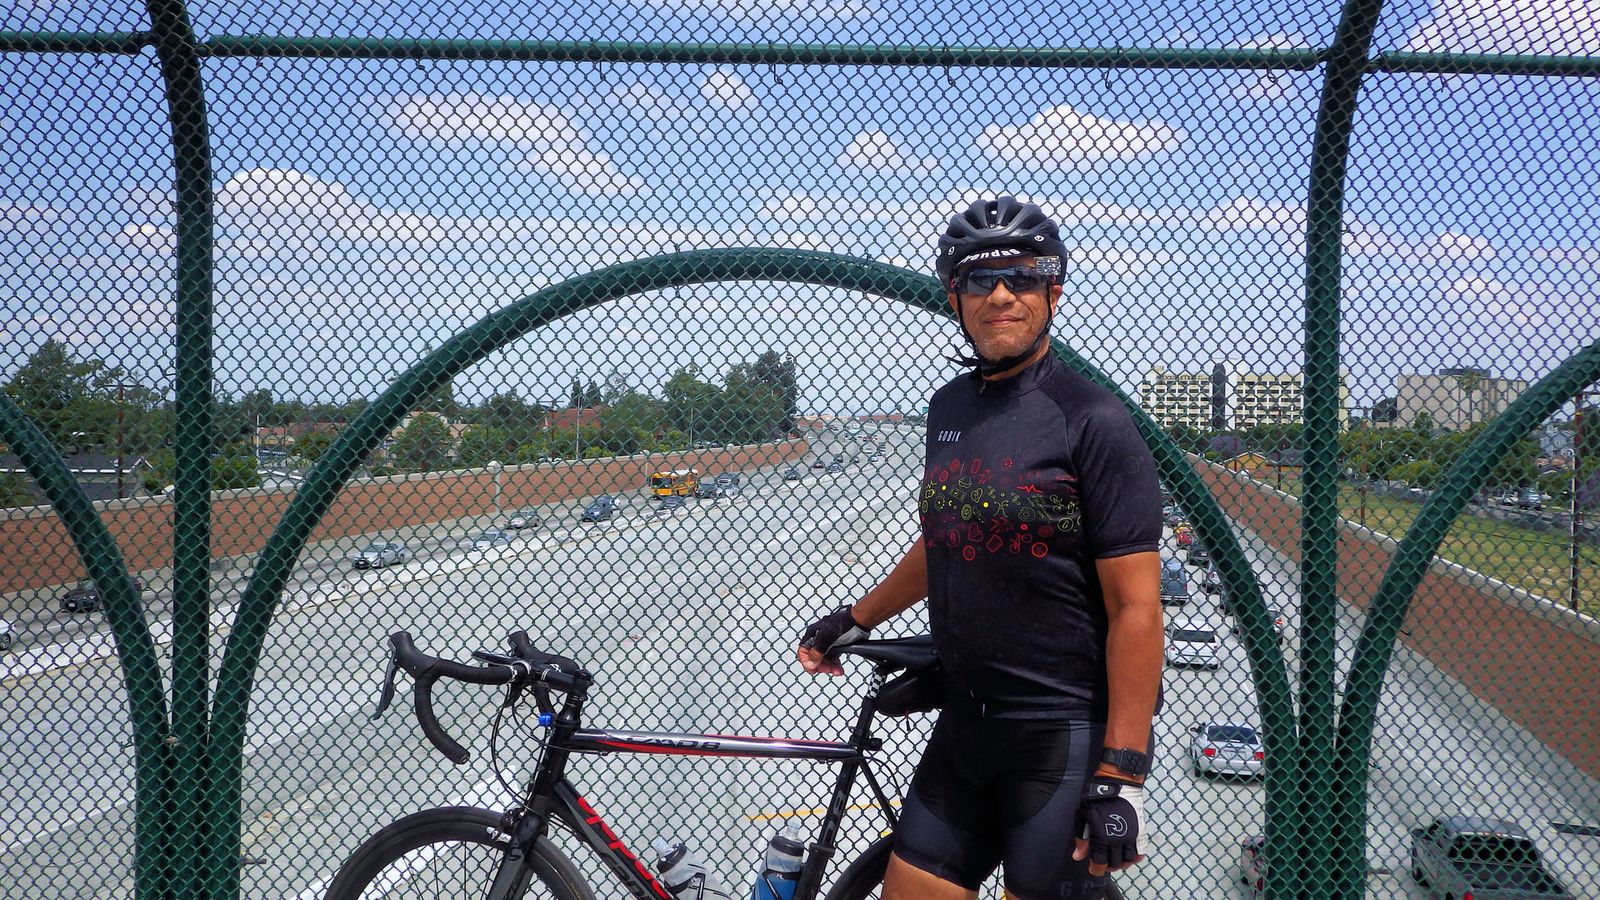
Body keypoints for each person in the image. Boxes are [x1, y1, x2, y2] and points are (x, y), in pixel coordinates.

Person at [798, 196, 1164, 900]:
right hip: (966, 726)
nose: (1001, 295)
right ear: (955, 298)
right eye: (979, 280)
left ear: (1053, 291)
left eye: (1022, 277)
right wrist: (857, 617)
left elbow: (1137, 609)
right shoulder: (949, 407)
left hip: (1059, 734)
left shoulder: (1092, 419)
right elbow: (948, 534)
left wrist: (1122, 774)